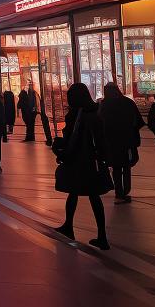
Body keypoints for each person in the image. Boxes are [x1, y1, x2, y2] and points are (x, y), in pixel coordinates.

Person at [53, 82, 110, 250]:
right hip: (93, 161)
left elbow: (71, 138)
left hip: (78, 159)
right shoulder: (95, 112)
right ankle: (102, 235)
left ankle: (69, 225)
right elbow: (100, 139)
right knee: (93, 196)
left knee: (73, 191)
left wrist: (62, 151)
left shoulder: (76, 115)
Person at [98, 82, 144, 203]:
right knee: (126, 165)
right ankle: (126, 190)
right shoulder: (128, 103)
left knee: (116, 167)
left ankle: (119, 193)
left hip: (111, 143)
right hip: (127, 141)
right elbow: (138, 122)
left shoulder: (104, 105)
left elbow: (100, 124)